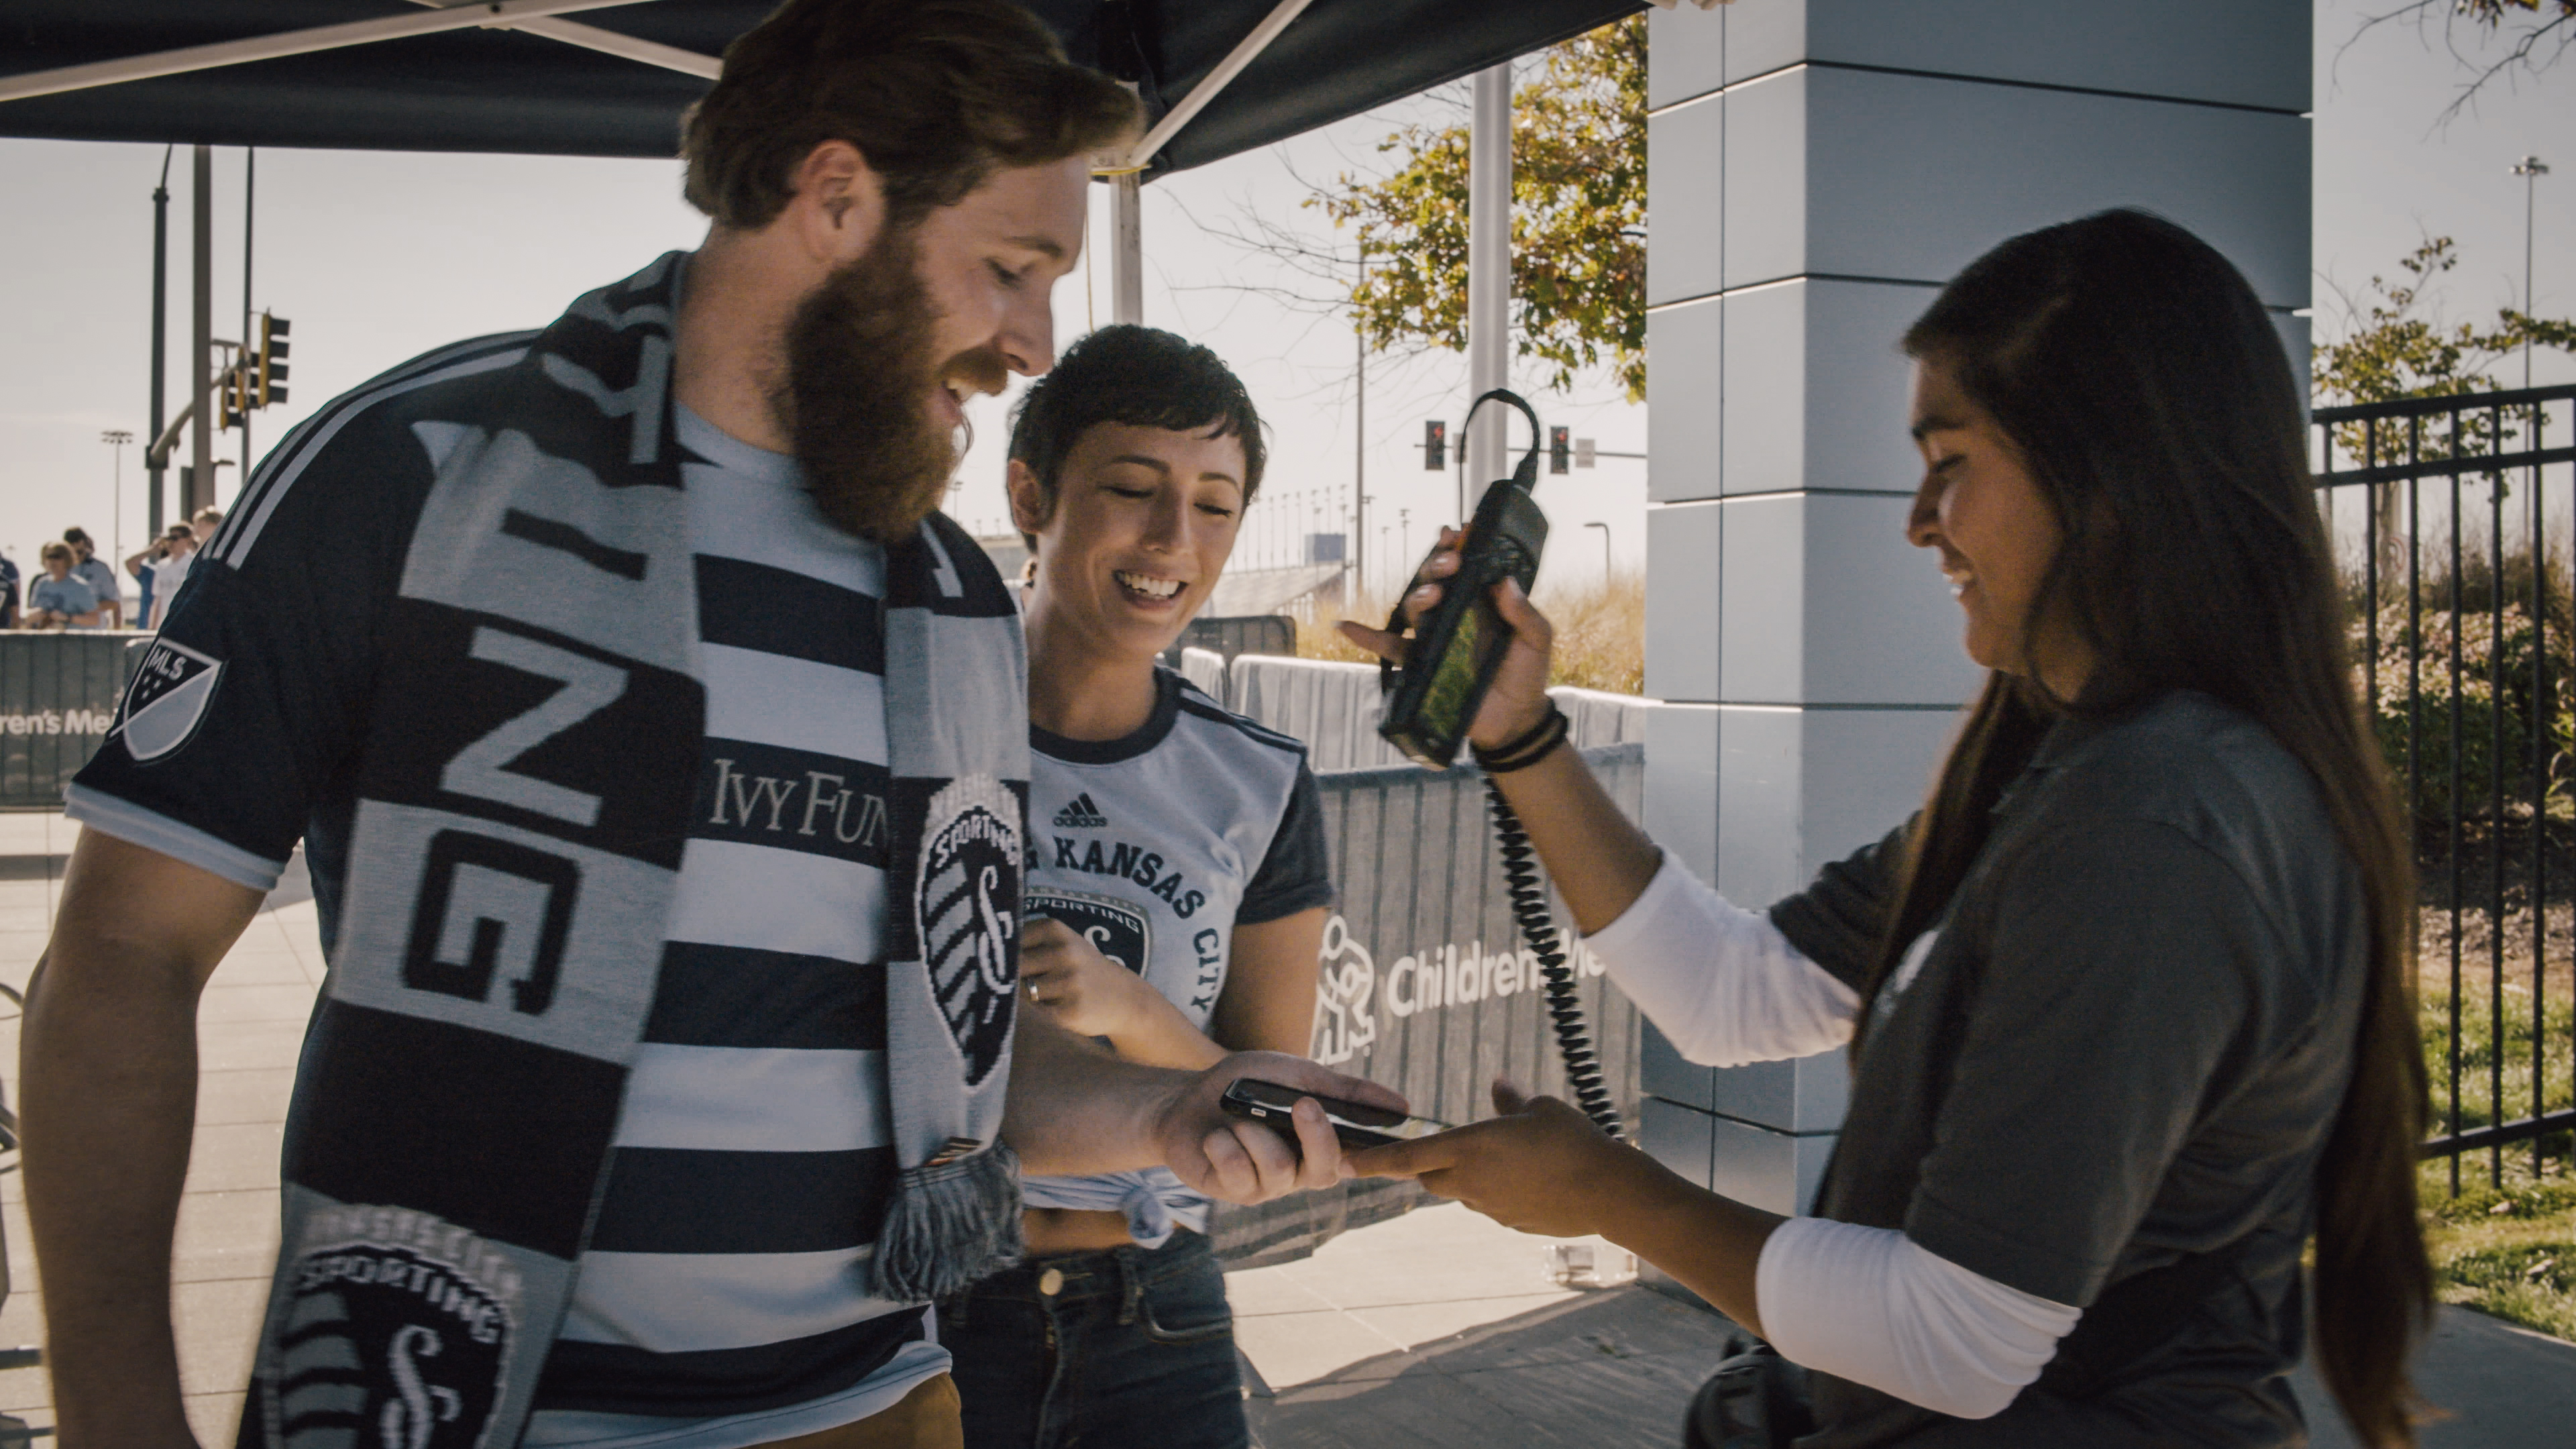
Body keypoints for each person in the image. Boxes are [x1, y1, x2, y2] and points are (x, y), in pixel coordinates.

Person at [23, 5, 1397, 1448]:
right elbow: (121, 958)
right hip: (459, 1414)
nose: (1038, 343)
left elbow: (959, 1046)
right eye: (1010, 269)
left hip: (877, 1413)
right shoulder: (411, 474)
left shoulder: (946, 601)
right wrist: (118, 1415)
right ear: (836, 198)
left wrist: (1166, 1121)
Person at [1346, 210, 2432, 1448]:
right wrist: (1518, 735)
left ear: (2111, 476)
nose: (1921, 520)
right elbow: (1736, 992)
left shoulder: (2153, 829)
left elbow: (1955, 1338)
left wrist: (1606, 1193)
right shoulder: (2076, 761)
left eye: (1952, 460)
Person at [940, 325, 1332, 1449]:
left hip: (1158, 1316)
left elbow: (1261, 1095)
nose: (1175, 537)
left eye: (1216, 502)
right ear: (1031, 493)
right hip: (929, 1304)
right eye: (1131, 488)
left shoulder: (1258, 783)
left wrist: (1132, 1009)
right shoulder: (911, 725)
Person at [125, 524, 197, 632]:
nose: (171, 542)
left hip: (184, 624)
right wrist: (152, 629)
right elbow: (158, 599)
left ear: (187, 540)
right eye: (169, 539)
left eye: (175, 538)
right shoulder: (162, 565)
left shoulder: (194, 563)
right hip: (164, 624)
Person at [23, 541, 101, 629]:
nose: (52, 561)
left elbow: (95, 619)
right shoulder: (42, 584)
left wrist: (67, 618)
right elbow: (30, 616)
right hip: (43, 640)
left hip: (71, 641)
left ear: (67, 559)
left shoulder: (79, 586)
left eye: (57, 557)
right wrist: (33, 615)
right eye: (49, 557)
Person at [61, 527, 122, 628]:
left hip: (93, 634)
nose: (75, 545)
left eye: (77, 540)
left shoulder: (100, 569)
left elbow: (114, 603)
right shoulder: (60, 569)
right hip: (64, 633)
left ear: (85, 543)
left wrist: (87, 605)